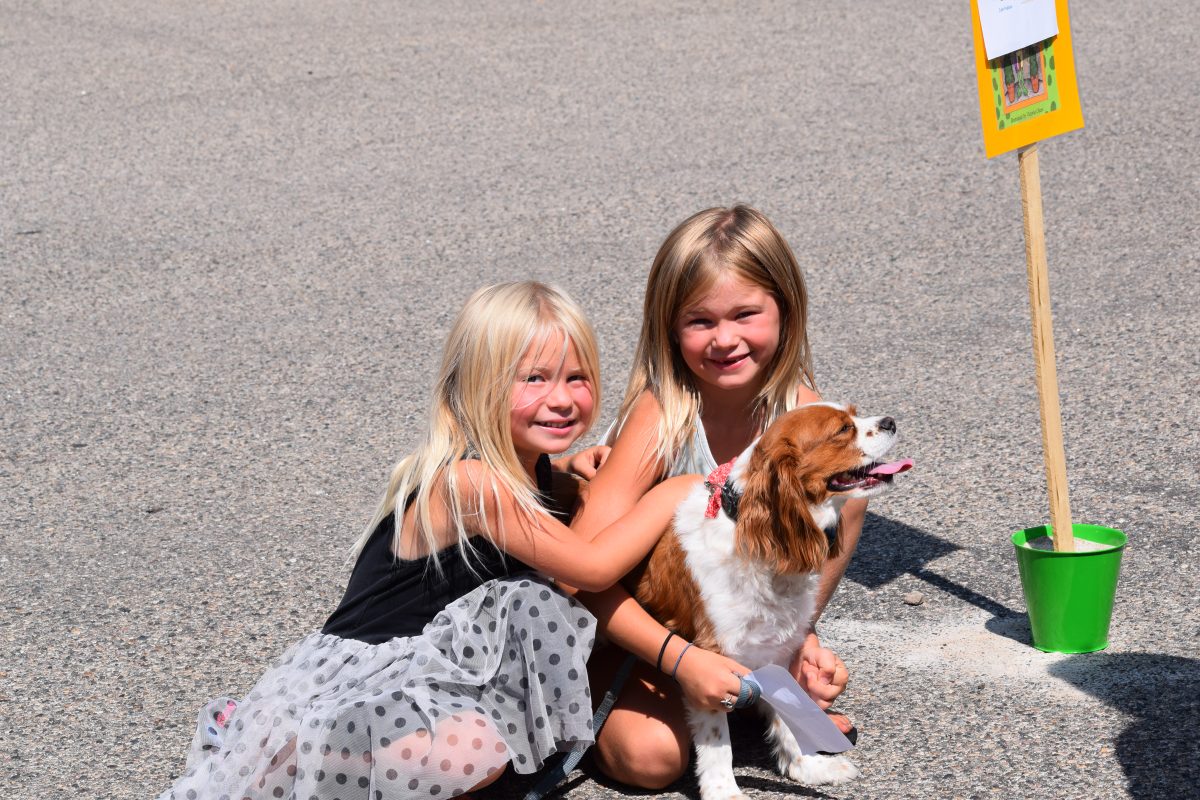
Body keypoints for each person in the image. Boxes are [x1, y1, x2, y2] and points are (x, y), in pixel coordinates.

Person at [157, 281, 704, 800]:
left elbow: (527, 501)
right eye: (533, 379)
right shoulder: (473, 483)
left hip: (429, 664)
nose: (560, 399)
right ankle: (301, 748)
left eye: (577, 378)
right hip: (372, 675)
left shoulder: (518, 466)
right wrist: (678, 487)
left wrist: (564, 468)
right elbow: (589, 568)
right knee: (478, 751)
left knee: (484, 742)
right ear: (477, 385)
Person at [571, 205, 864, 788]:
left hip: (732, 625)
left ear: (785, 307)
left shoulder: (808, 418)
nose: (725, 339)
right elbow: (579, 577)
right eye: (699, 321)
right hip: (636, 633)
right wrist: (682, 659)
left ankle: (760, 675)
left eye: (746, 314)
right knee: (651, 760)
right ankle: (581, 709)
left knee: (846, 490)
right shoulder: (663, 417)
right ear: (667, 326)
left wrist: (800, 636)